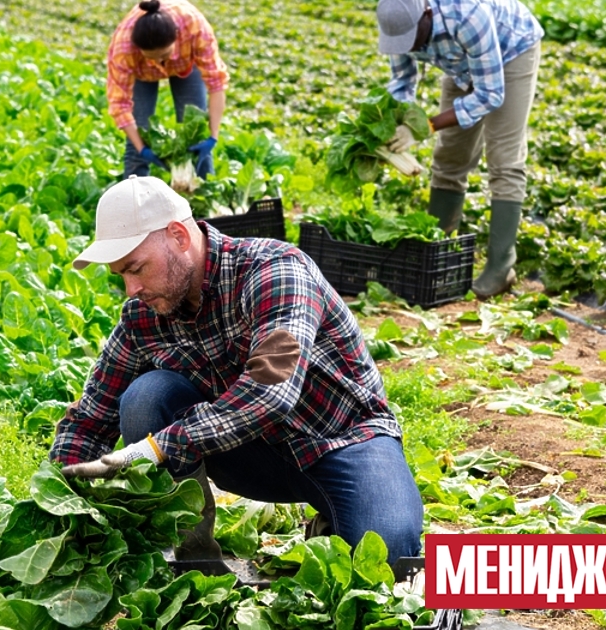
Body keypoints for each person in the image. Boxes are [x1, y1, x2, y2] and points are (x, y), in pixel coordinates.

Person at [50, 175, 424, 568]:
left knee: (389, 553)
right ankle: (194, 564)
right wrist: (58, 498)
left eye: (137, 268)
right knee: (147, 397)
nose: (130, 288)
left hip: (342, 440)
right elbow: (90, 420)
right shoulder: (144, 318)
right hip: (249, 455)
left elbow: (271, 390)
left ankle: (335, 522)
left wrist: (160, 446)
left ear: (178, 235)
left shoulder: (275, 272)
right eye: (120, 275)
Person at [375, 0, 543, 298]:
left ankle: (501, 266)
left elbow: (490, 94)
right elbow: (402, 80)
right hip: (459, 63)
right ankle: (439, 253)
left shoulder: (467, 15)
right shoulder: (397, 19)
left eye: (414, 37)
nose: (410, 45)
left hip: (510, 52)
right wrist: (392, 123)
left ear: (426, 14)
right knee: (450, 156)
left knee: (504, 159)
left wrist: (425, 126)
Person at [107, 0, 228, 179]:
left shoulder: (194, 27)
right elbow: (119, 105)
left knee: (196, 132)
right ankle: (134, 199)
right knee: (139, 135)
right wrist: (142, 149)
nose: (158, 62)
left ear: (177, 36)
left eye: (163, 55)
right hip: (142, 74)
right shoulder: (124, 48)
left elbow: (216, 83)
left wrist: (213, 136)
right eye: (151, 57)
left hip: (185, 66)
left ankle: (205, 196)